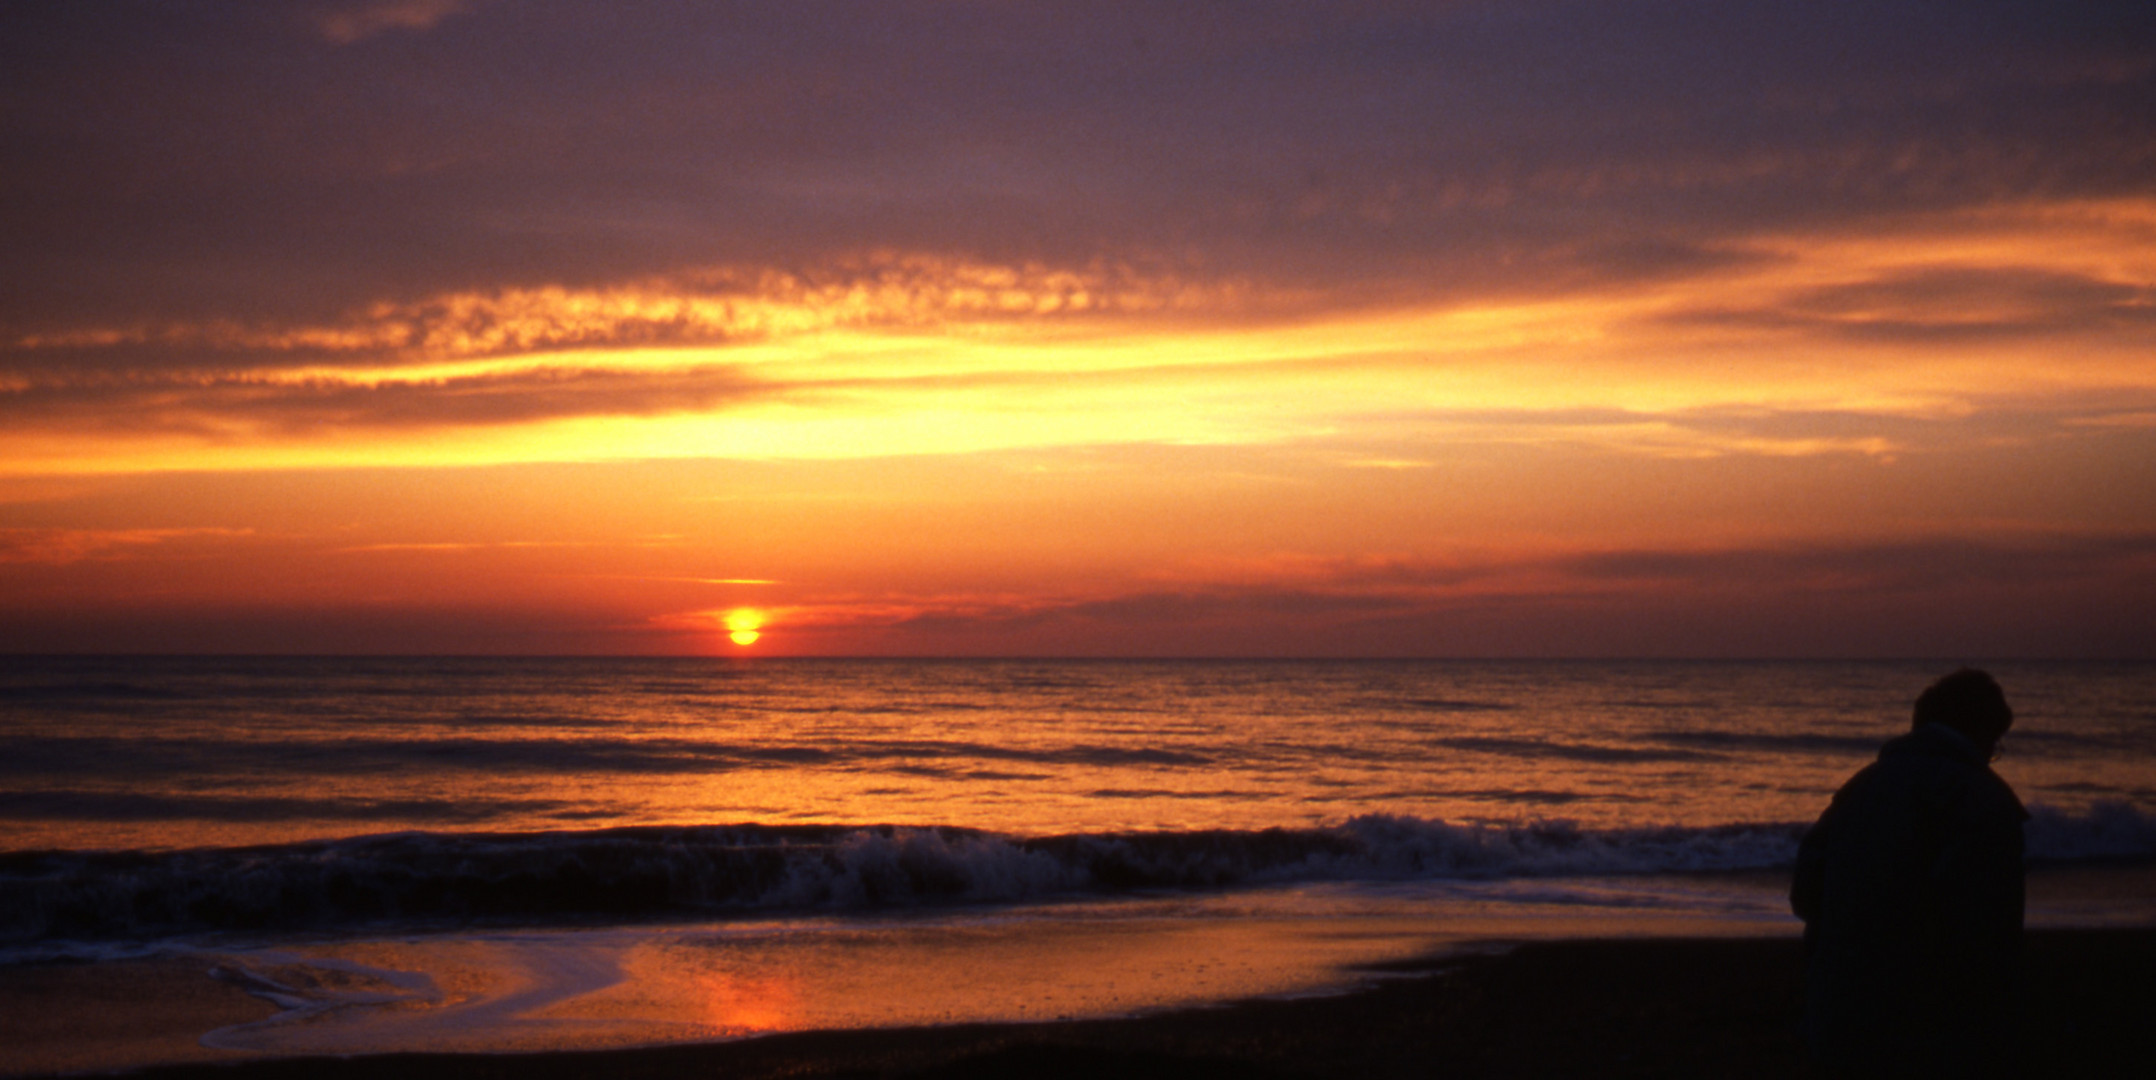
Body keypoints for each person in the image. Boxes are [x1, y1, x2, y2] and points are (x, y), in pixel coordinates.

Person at [1790, 668, 2028, 1077]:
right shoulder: (1981, 798)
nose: (1994, 753)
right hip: (1928, 1029)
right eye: (1995, 742)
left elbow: (1806, 891)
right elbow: (1989, 934)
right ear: (1982, 732)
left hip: (1836, 1014)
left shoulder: (1862, 786)